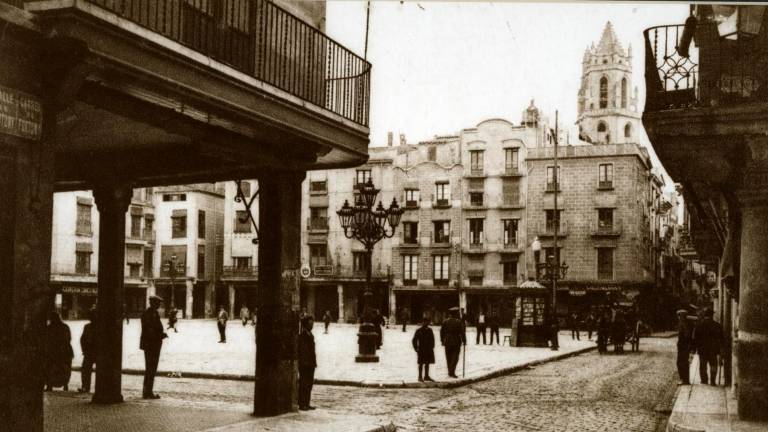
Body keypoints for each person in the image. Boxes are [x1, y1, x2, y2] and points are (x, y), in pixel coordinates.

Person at [140, 295, 167, 399]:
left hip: (153, 344)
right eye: (158, 303)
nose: (159, 305)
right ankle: (147, 392)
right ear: (153, 303)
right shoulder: (149, 314)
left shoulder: (153, 313)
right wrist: (161, 335)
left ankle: (147, 391)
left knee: (151, 368)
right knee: (151, 368)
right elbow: (150, 332)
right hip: (151, 345)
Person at [693, 308, 724, 385]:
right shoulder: (717, 326)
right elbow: (721, 339)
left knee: (703, 365)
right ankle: (713, 381)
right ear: (712, 315)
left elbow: (695, 338)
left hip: (702, 349)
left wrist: (695, 348)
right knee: (713, 365)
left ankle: (704, 380)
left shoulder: (699, 325)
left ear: (704, 315)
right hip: (713, 349)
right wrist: (720, 349)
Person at [45, 312, 74, 392]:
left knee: (50, 368)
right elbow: (68, 338)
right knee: (64, 368)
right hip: (64, 351)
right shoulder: (65, 327)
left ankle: (49, 385)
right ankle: (65, 385)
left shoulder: (49, 328)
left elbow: (47, 340)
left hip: (53, 351)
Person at [440, 307, 466, 378]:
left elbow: (442, 332)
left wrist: (442, 340)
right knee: (455, 357)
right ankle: (452, 371)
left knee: (448, 357)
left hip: (447, 341)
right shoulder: (458, 322)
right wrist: (464, 340)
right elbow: (462, 332)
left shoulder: (445, 321)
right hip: (456, 341)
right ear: (456, 314)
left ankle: (450, 372)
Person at [297, 315, 317, 410]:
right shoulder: (302, 336)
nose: (312, 325)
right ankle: (302, 404)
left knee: (309, 384)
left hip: (311, 363)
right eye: (310, 323)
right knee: (303, 383)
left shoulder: (310, 335)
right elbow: (302, 351)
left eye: (312, 323)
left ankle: (307, 403)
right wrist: (304, 362)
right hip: (305, 364)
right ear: (306, 324)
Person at [78, 310, 97, 393]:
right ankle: (85, 386)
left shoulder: (89, 327)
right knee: (85, 369)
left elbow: (82, 339)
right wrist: (84, 349)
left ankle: (86, 387)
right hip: (89, 351)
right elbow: (82, 339)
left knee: (86, 369)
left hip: (94, 351)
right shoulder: (87, 327)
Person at [412, 315, 435, 382]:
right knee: (421, 363)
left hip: (428, 349)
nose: (426, 323)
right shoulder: (419, 330)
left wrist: (432, 346)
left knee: (427, 363)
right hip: (421, 349)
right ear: (422, 322)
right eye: (424, 322)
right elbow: (414, 340)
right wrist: (416, 348)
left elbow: (432, 339)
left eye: (427, 322)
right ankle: (420, 376)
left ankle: (426, 376)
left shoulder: (430, 330)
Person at [676, 309, 693, 385]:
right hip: (684, 346)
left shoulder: (683, 324)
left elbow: (686, 336)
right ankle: (685, 379)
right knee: (683, 363)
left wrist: (682, 344)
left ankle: (684, 379)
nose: (678, 317)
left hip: (683, 347)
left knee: (681, 363)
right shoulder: (687, 324)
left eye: (679, 316)